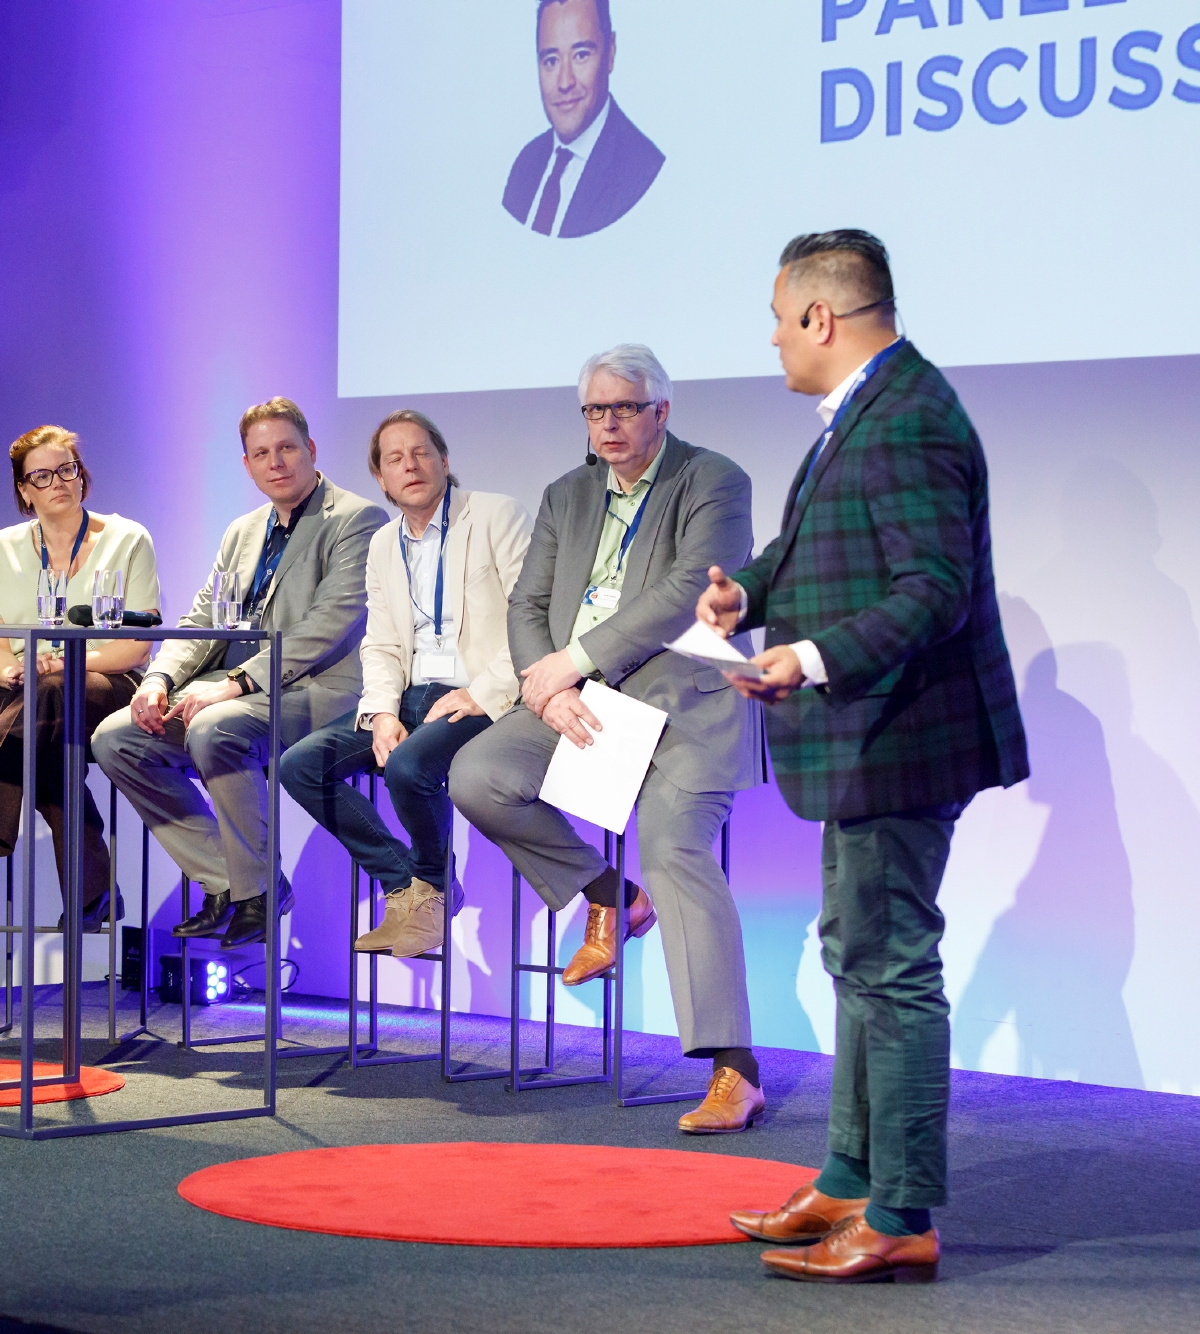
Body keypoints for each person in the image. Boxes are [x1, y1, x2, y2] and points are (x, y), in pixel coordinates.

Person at [704, 232, 1028, 1282]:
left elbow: (929, 588)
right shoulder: (868, 409)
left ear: (819, 318)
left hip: (900, 737)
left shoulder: (908, 416)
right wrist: (746, 597)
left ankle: (900, 1211)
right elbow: (815, 548)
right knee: (856, 959)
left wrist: (804, 655)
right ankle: (849, 1173)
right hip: (865, 738)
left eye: (775, 315)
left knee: (888, 967)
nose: (769, 335)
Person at [450, 344, 766, 1133]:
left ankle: (734, 1068)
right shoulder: (568, 493)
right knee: (478, 773)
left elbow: (689, 589)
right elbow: (528, 604)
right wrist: (543, 683)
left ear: (662, 410)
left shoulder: (715, 479)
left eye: (624, 408)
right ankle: (608, 897)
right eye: (595, 411)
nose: (608, 424)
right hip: (583, 704)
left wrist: (575, 661)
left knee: (673, 851)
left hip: (683, 706)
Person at [93, 398, 388, 949]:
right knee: (116, 739)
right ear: (248, 465)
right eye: (261, 453)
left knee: (213, 727)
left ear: (311, 450)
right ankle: (234, 882)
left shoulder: (357, 520)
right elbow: (204, 618)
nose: (275, 462)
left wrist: (235, 683)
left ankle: (254, 893)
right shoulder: (242, 531)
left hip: (317, 692)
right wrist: (158, 679)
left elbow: (327, 624)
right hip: (231, 694)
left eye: (286, 448)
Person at [277, 412, 529, 958]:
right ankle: (408, 886)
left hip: (480, 694)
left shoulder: (494, 515)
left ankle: (431, 892)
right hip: (413, 695)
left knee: (411, 769)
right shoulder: (383, 543)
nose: (409, 465)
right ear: (381, 478)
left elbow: (529, 618)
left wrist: (483, 692)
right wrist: (382, 713)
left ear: (444, 460)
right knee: (300, 767)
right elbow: (383, 642)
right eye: (394, 459)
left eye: (420, 452)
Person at [0, 427, 159, 927]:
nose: (58, 482)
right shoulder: (1, 547)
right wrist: (13, 671)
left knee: (50, 695)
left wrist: (65, 662)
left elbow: (136, 644)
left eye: (66, 469)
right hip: (25, 690)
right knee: (44, 747)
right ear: (24, 490)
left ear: (81, 474)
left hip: (104, 682)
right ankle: (94, 891)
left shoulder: (129, 539)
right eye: (41, 476)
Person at [501, 0, 663, 240]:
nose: (565, 82)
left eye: (581, 55)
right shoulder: (526, 164)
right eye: (551, 61)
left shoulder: (643, 173)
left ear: (610, 53)